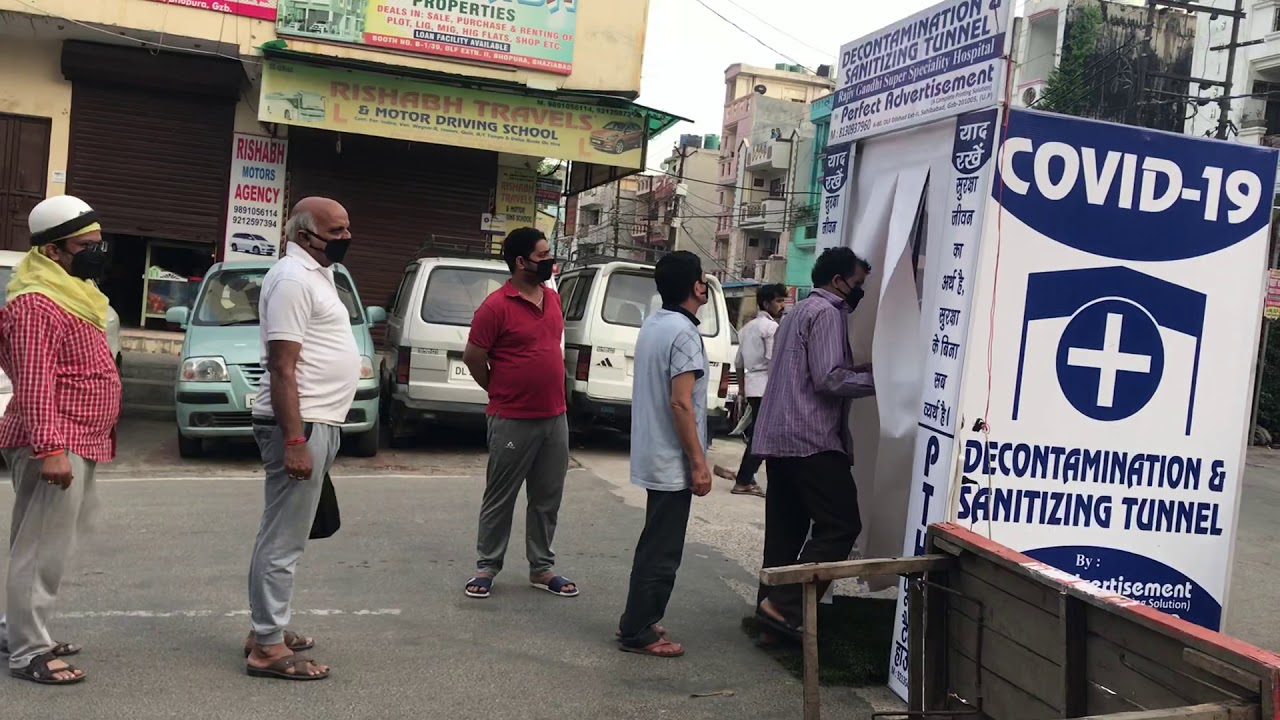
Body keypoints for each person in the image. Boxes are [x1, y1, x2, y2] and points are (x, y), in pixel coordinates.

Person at [0, 195, 120, 685]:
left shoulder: (71, 293)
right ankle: (28, 650)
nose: (97, 252)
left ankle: (20, 629)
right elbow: (32, 380)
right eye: (85, 245)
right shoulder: (35, 303)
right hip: (54, 438)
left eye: (99, 243)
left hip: (79, 435)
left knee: (47, 540)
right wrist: (50, 448)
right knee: (41, 546)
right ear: (53, 250)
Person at [245, 197, 359, 681]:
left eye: (347, 228)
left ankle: (265, 629)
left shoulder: (316, 273)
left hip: (318, 421)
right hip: (303, 424)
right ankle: (267, 648)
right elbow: (281, 366)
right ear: (305, 234)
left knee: (282, 533)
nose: (345, 238)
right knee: (285, 539)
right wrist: (294, 440)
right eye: (336, 231)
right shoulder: (292, 279)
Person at [753, 247, 875, 636]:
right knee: (841, 524)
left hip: (781, 437)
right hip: (811, 438)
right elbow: (829, 379)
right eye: (858, 285)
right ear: (838, 282)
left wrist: (862, 369)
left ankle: (769, 614)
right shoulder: (827, 313)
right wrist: (882, 381)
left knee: (785, 533)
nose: (860, 293)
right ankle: (785, 606)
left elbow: (817, 371)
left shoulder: (796, 312)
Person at [463, 228, 575, 600]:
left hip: (554, 416)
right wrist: (496, 389)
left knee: (547, 497)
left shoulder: (552, 299)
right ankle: (487, 566)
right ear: (520, 262)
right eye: (542, 256)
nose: (549, 260)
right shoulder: (495, 306)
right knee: (501, 495)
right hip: (512, 416)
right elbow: (474, 357)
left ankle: (541, 568)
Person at [617, 251, 714, 658]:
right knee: (662, 549)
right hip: (671, 460)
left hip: (654, 453)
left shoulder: (654, 324)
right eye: (703, 279)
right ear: (696, 287)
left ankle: (641, 618)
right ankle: (638, 630)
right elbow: (680, 403)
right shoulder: (684, 333)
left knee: (655, 542)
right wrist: (698, 462)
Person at [714, 283, 787, 498]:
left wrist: (744, 389)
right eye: (779, 301)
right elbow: (774, 361)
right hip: (767, 386)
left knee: (758, 434)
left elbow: (738, 362)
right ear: (766, 303)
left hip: (754, 386)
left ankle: (747, 477)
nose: (782, 305)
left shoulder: (746, 329)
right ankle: (744, 480)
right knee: (762, 437)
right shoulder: (771, 328)